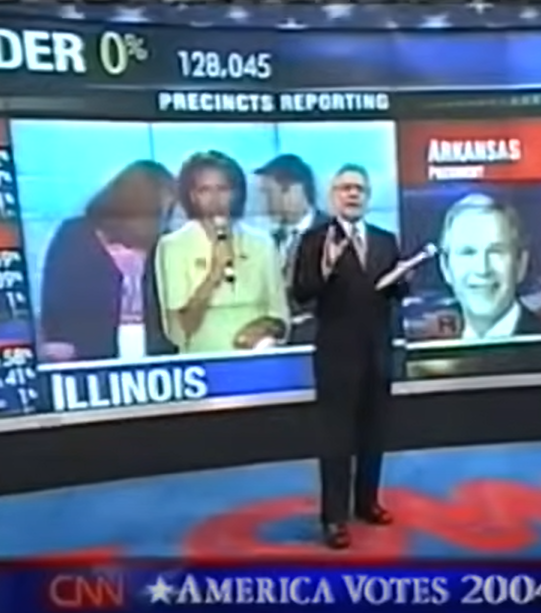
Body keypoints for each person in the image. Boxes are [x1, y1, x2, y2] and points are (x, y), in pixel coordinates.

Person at [292, 163, 408, 549]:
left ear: (368, 195)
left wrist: (401, 282)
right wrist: (326, 264)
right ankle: (335, 519)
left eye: (359, 188)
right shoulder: (313, 241)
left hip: (378, 351)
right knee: (336, 439)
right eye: (345, 188)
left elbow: (394, 294)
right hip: (336, 355)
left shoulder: (385, 241)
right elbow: (302, 292)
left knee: (375, 433)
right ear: (333, 196)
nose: (352, 194)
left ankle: (367, 503)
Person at [39, 160, 177, 362]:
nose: (165, 216)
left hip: (155, 359)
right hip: (88, 357)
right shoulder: (76, 236)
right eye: (159, 208)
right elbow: (54, 296)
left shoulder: (165, 243)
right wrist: (58, 342)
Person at [155, 151, 289, 354]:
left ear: (236, 193)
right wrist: (213, 275)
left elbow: (280, 315)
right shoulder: (173, 246)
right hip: (202, 364)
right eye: (204, 190)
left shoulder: (262, 243)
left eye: (222, 189)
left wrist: (262, 329)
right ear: (192, 196)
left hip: (257, 358)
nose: (215, 199)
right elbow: (180, 330)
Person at [437, 193, 541, 340]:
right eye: (468, 253)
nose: (482, 269)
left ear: (520, 263)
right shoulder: (427, 343)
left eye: (496, 251)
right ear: (445, 267)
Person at [254, 154, 330, 344]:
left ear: (292, 189)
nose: (264, 204)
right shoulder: (270, 241)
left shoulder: (334, 236)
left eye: (268, 194)